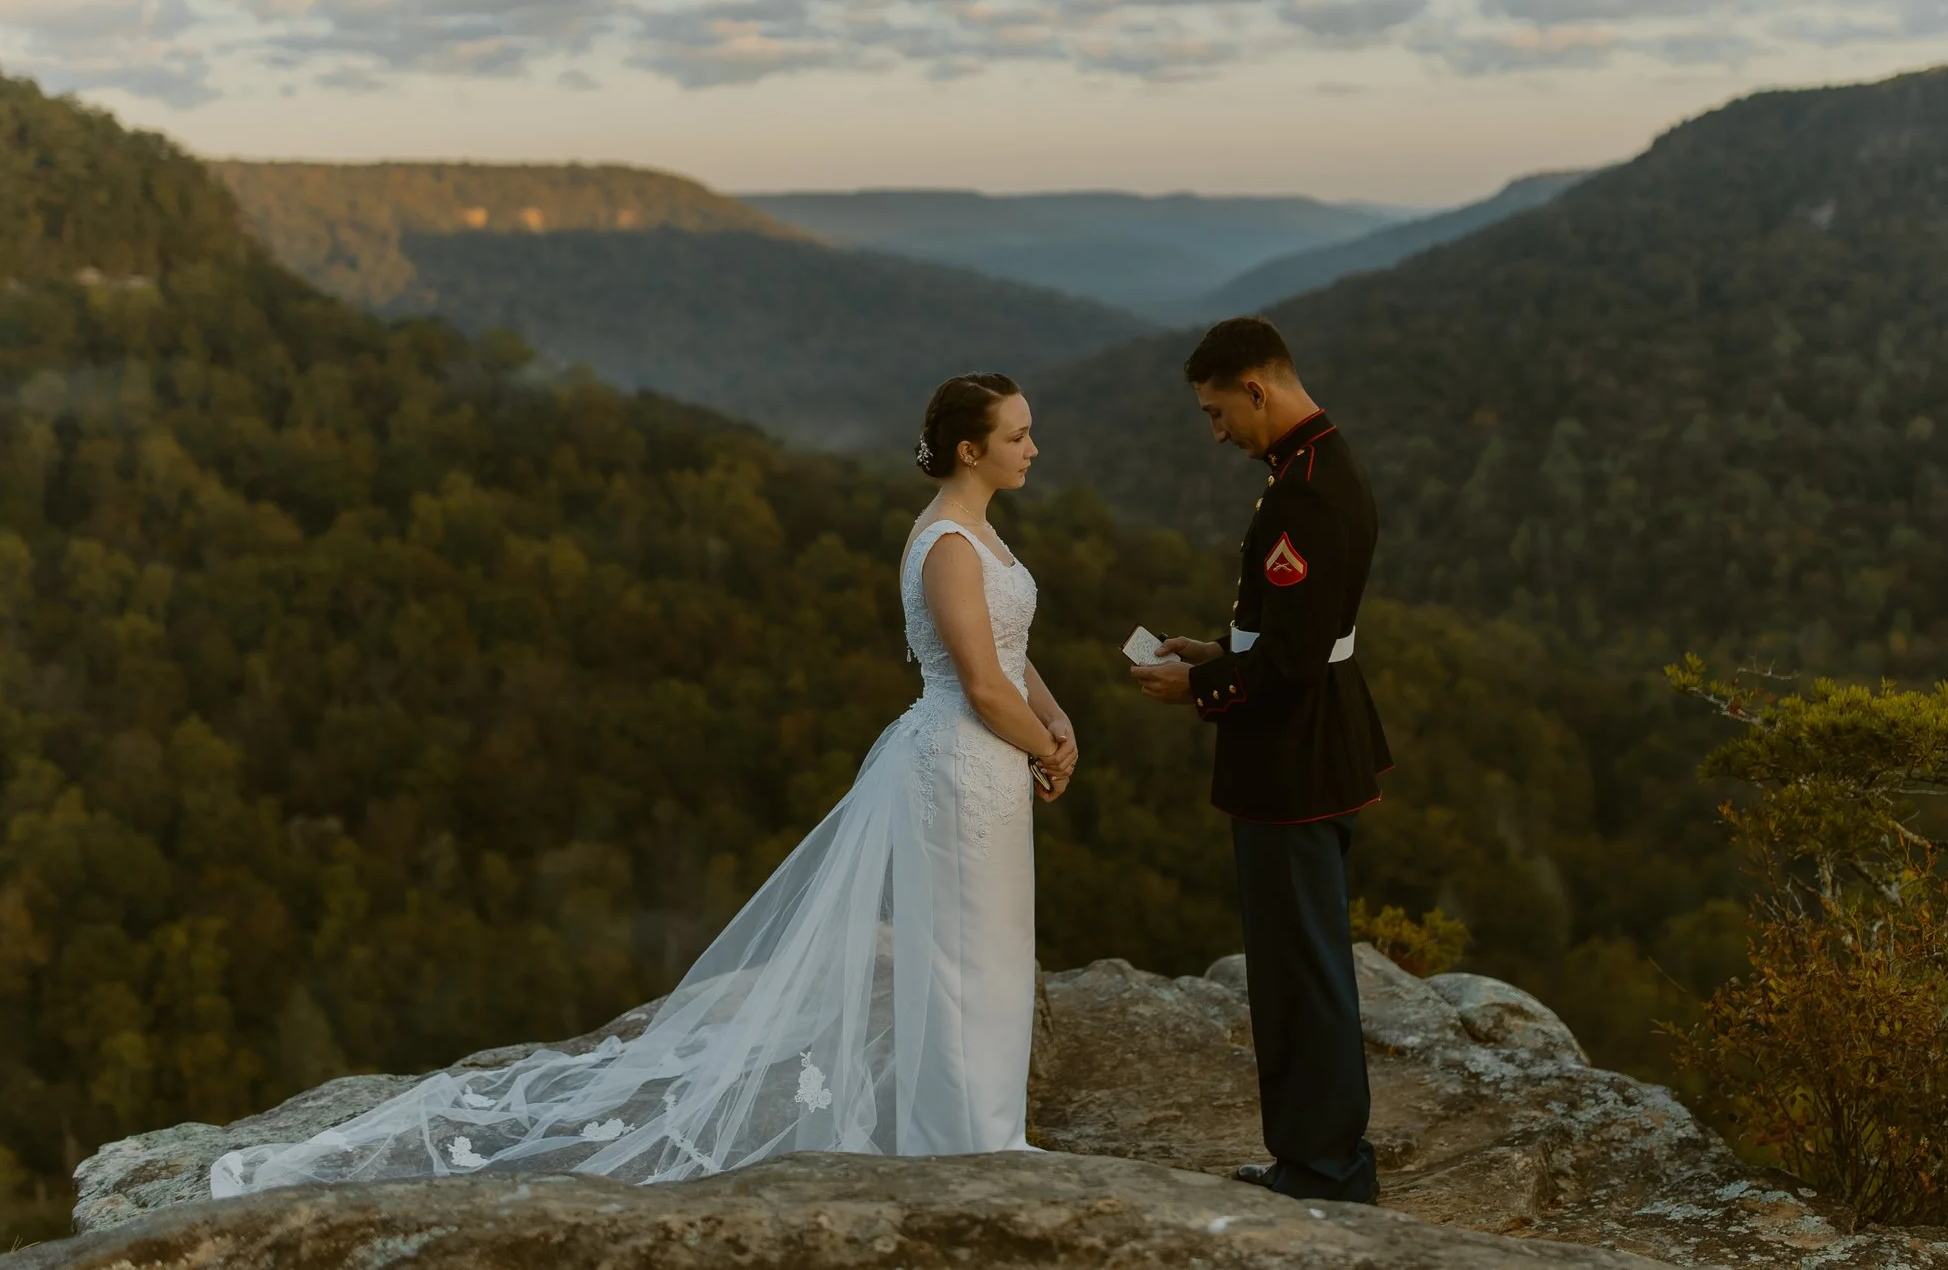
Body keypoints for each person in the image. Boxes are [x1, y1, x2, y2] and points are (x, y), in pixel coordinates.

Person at [211, 374, 1076, 1195]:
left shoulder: (985, 534)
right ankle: (964, 1137)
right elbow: (978, 681)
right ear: (970, 450)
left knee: (995, 945)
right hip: (961, 768)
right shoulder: (949, 544)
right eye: (1018, 434)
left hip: (992, 760)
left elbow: (1011, 651)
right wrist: (1043, 745)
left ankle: (992, 1125)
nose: (1033, 446)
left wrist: (1056, 720)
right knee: (959, 957)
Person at [1130, 317, 1391, 1206]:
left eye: (1216, 412)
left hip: (1294, 758)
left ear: (1258, 388)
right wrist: (1215, 650)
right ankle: (1314, 1156)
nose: (1216, 432)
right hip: (1309, 744)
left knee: (1301, 969)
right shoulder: (1312, 469)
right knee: (1297, 963)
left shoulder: (1305, 495)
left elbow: (1289, 663)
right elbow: (1283, 634)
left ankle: (1326, 1168)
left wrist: (1195, 692)